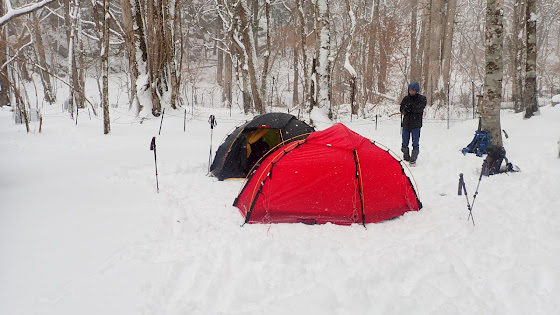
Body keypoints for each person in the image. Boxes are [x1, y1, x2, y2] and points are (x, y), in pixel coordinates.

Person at [400, 81, 427, 165]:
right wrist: (405, 109)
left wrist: (410, 108)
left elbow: (419, 108)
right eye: (410, 90)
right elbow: (402, 109)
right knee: (404, 142)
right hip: (406, 124)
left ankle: (414, 158)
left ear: (417, 90)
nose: (411, 92)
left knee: (415, 142)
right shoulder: (406, 98)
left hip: (416, 124)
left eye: (413, 90)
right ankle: (406, 155)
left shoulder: (422, 99)